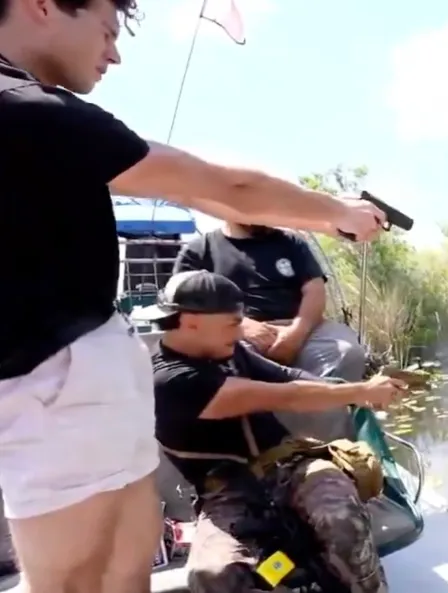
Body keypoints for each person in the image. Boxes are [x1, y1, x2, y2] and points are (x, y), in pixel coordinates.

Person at [0, 1, 386, 591]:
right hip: (57, 380)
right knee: (78, 578)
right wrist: (341, 213)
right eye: (107, 30)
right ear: (43, 5)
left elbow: (278, 376)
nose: (115, 52)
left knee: (121, 561)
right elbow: (225, 188)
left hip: (70, 380)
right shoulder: (30, 112)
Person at [139, 270, 405, 592]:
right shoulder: (168, 380)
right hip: (226, 493)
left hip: (292, 465)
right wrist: (361, 391)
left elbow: (287, 376)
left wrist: (354, 390)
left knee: (341, 520)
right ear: (191, 321)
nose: (240, 332)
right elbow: (285, 395)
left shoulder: (228, 351)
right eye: (233, 323)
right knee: (215, 575)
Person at [174, 222, 367, 382]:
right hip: (235, 331)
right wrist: (240, 325)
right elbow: (185, 306)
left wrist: (296, 334)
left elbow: (314, 289)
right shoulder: (198, 250)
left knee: (347, 352)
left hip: (300, 326)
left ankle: (319, 420)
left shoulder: (291, 242)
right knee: (226, 361)